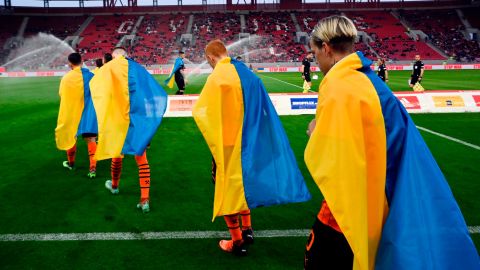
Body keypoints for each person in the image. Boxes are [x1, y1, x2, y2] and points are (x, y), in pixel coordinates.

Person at [304, 15, 478, 269]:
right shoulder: (367, 80)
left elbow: (340, 156)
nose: (316, 60)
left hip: (351, 209)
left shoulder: (340, 84)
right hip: (386, 195)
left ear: (326, 48)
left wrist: (315, 134)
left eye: (314, 52)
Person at [192, 40, 310, 256]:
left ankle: (236, 241)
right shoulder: (246, 73)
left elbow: (201, 112)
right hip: (249, 142)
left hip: (229, 144)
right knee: (243, 184)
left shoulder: (217, 76)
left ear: (210, 58)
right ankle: (248, 230)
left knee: (227, 188)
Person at [90, 47, 168, 213]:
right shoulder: (139, 69)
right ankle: (145, 199)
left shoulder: (107, 69)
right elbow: (154, 93)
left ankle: (115, 186)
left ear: (113, 56)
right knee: (141, 158)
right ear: (126, 55)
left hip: (118, 119)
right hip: (138, 119)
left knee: (117, 153)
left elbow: (96, 90)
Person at [55, 52, 98, 178]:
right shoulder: (91, 76)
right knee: (91, 139)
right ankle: (92, 169)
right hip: (89, 113)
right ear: (82, 60)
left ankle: (71, 163)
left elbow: (62, 94)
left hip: (73, 112)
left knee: (71, 137)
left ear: (70, 63)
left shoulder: (66, 78)